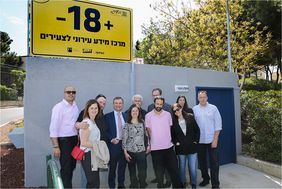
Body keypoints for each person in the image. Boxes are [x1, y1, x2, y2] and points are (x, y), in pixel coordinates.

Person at [145, 96, 182, 188]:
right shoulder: (148, 116)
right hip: (155, 149)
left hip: (168, 147)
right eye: (157, 104)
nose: (159, 106)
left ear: (163, 104)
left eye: (161, 104)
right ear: (154, 103)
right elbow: (148, 132)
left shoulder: (168, 115)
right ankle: (160, 186)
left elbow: (169, 129)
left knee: (174, 169)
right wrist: (150, 144)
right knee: (158, 171)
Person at [49, 86, 79, 188]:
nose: (71, 94)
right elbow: (53, 128)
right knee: (66, 168)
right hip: (64, 141)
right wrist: (56, 147)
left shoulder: (75, 106)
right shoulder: (59, 107)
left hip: (74, 140)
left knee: (72, 166)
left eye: (73, 92)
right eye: (68, 92)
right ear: (64, 93)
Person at [192, 91, 222, 189]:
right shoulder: (195, 109)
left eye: (204, 97)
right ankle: (205, 179)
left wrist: (215, 139)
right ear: (198, 98)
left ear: (207, 97)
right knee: (202, 162)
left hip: (211, 140)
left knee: (214, 163)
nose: (202, 99)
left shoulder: (213, 108)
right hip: (200, 141)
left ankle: (215, 184)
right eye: (200, 97)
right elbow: (193, 125)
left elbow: (218, 124)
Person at [171, 103, 200, 189]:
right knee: (182, 168)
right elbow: (172, 134)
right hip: (181, 149)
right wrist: (176, 142)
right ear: (173, 112)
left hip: (192, 148)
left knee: (192, 168)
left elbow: (197, 130)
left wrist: (196, 141)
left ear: (181, 108)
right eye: (175, 110)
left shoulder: (190, 117)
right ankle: (182, 183)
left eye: (178, 108)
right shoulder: (173, 121)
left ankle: (193, 184)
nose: (177, 111)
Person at [147, 88, 172, 187]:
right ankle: (159, 178)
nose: (155, 97)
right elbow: (148, 125)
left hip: (166, 142)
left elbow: (170, 125)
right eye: (154, 95)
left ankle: (168, 179)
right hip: (155, 143)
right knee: (157, 164)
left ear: (161, 95)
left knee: (166, 163)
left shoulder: (168, 107)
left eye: (157, 95)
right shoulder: (150, 107)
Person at [122, 104, 150, 188]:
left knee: (142, 171)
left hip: (141, 151)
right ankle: (134, 185)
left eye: (136, 111)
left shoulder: (143, 122)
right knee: (132, 171)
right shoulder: (127, 124)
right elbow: (124, 139)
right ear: (130, 112)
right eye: (133, 111)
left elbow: (147, 135)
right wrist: (125, 153)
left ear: (139, 112)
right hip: (130, 152)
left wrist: (148, 145)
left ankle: (142, 184)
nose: (135, 112)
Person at [105, 97, 127, 189]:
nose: (118, 105)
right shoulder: (107, 116)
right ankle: (112, 186)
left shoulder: (126, 115)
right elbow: (104, 131)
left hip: (124, 145)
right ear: (113, 104)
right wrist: (111, 139)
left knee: (122, 166)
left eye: (120, 103)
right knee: (113, 167)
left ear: (122, 104)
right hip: (114, 145)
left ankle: (121, 185)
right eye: (116, 103)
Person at [79, 99, 102, 188]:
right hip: (88, 155)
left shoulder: (93, 121)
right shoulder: (87, 123)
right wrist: (99, 145)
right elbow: (84, 142)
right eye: (91, 108)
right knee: (92, 182)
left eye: (96, 108)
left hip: (93, 154)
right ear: (87, 110)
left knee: (95, 181)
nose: (94, 110)